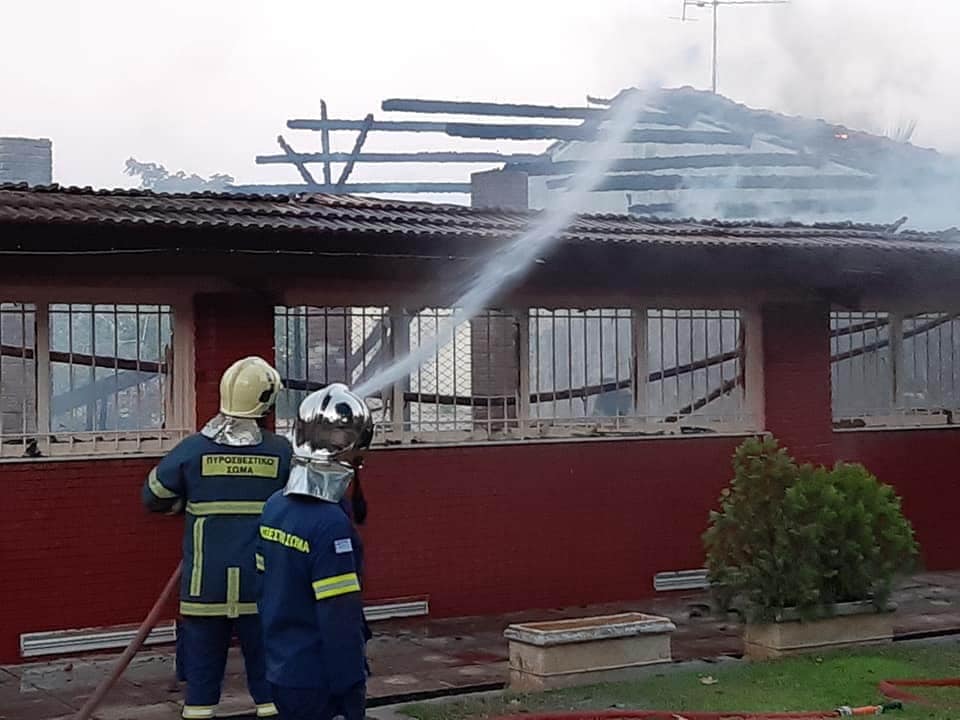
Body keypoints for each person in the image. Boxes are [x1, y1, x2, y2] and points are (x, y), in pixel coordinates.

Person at [142, 356, 292, 720]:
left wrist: (185, 503)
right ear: (265, 401)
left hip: (204, 587)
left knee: (200, 685)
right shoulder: (281, 451)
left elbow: (152, 496)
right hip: (261, 586)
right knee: (270, 681)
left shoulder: (193, 449)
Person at [256, 383, 373, 720]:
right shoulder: (330, 526)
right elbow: (339, 617)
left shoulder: (273, 507)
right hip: (320, 680)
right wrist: (349, 683)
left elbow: (263, 588)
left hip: (282, 668)